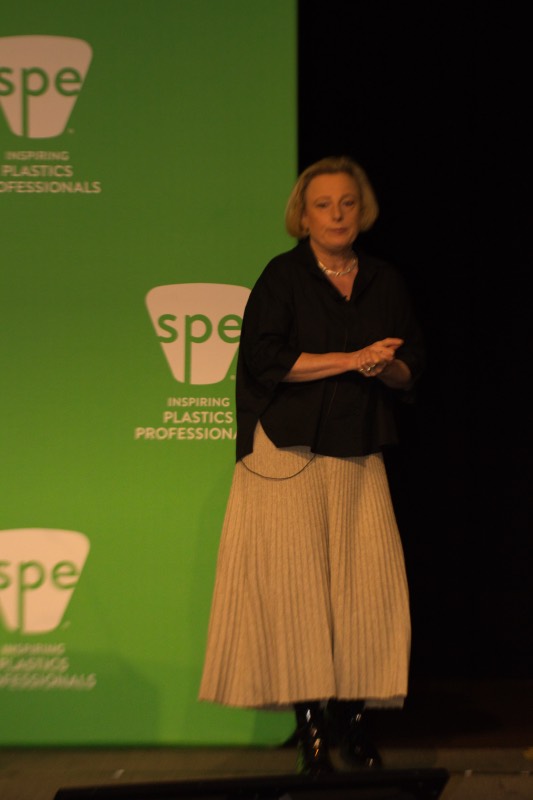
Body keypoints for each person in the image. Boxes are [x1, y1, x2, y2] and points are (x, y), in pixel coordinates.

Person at [199, 155, 426, 775]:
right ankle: (311, 731)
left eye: (347, 203)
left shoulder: (384, 280)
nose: (337, 215)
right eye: (323, 205)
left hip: (358, 446)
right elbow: (267, 360)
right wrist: (353, 359)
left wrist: (387, 364)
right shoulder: (282, 277)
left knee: (365, 591)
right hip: (286, 449)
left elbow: (412, 367)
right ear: (303, 216)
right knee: (296, 593)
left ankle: (352, 722)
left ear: (363, 210)